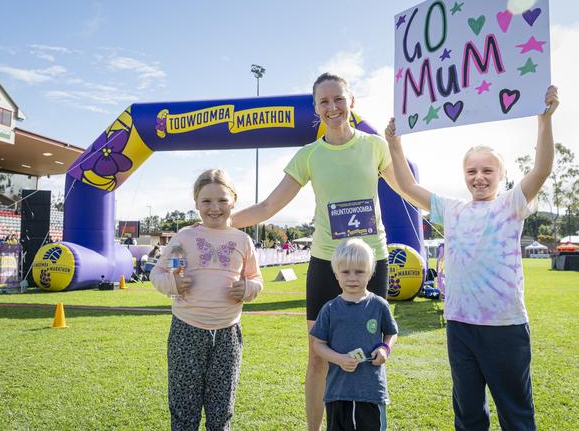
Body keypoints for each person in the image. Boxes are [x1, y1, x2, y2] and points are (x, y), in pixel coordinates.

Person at [230, 72, 410, 430]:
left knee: (373, 352)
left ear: (352, 101)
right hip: (326, 263)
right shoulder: (309, 156)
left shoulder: (374, 146)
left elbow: (406, 187)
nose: (332, 107)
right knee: (318, 355)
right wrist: (219, 220)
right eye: (324, 102)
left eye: (338, 99)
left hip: (371, 261)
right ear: (316, 108)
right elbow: (267, 208)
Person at [384, 85, 559, 430]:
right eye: (471, 171)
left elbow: (541, 170)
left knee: (517, 415)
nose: (479, 177)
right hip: (460, 326)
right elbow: (406, 187)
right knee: (468, 415)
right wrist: (394, 142)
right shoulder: (451, 209)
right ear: (464, 176)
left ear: (502, 175)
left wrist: (544, 120)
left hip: (505, 327)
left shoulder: (512, 204)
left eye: (487, 171)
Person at [150, 169, 263, 431]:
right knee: (184, 409)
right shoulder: (184, 237)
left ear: (234, 200)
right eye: (207, 201)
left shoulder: (243, 240)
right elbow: (158, 273)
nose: (215, 208)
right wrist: (173, 284)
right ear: (196, 204)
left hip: (228, 335)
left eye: (222, 200)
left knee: (221, 411)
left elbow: (256, 279)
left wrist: (247, 288)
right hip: (186, 330)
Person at [311, 239, 398, 431]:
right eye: (345, 272)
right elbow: (318, 344)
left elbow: (391, 333)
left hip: (372, 392)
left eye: (359, 272)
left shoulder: (379, 305)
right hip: (338, 392)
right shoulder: (330, 309)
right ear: (336, 274)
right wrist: (339, 359)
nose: (352, 278)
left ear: (371, 273)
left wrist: (385, 349)